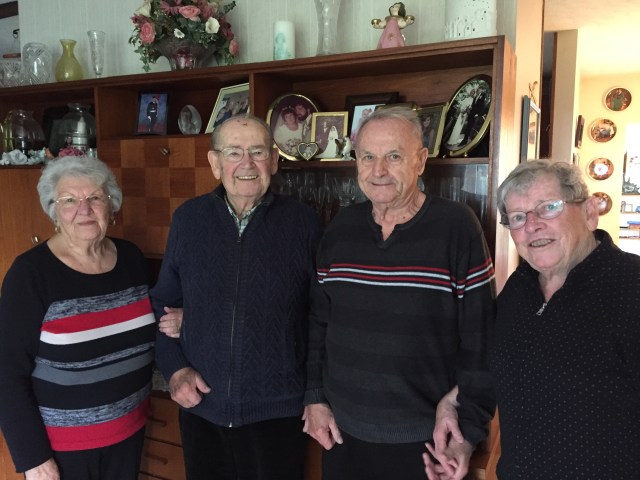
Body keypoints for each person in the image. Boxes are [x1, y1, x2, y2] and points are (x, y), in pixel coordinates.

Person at [303, 106, 496, 480]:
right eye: (368, 157)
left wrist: (467, 431)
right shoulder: (340, 229)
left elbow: (482, 341)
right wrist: (314, 397)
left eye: (393, 156)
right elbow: (317, 323)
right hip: (342, 433)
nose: (378, 170)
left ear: (420, 161)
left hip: (428, 439)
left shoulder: (457, 227)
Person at [426, 159, 640, 479]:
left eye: (548, 207)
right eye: (517, 217)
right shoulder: (520, 287)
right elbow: (511, 365)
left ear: (589, 212)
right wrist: (454, 404)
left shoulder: (631, 287)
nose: (532, 225)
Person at [152, 114, 323, 480]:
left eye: (257, 152)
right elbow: (161, 303)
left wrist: (316, 394)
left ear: (273, 161)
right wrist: (175, 369)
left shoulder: (304, 223)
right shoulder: (188, 219)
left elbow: (319, 316)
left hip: (278, 413)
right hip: (202, 408)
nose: (247, 163)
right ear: (215, 163)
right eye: (233, 152)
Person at [0, 156, 156, 479]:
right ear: (54, 211)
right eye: (69, 200)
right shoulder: (30, 274)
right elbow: (6, 372)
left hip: (130, 432)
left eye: (95, 197)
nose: (84, 209)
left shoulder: (131, 258)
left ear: (111, 206)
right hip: (63, 450)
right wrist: (33, 459)